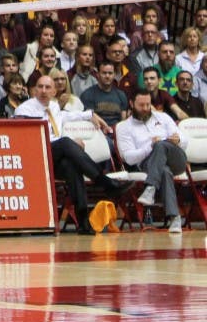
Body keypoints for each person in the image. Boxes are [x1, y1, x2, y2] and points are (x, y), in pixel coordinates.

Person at [14, 75, 133, 233]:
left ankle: (83, 222)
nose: (43, 90)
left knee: (71, 166)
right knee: (66, 142)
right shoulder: (24, 110)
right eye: (40, 87)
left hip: (53, 159)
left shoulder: (54, 107)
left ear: (54, 91)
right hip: (34, 156)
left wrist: (89, 114)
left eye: (47, 87)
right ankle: (105, 183)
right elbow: (22, 138)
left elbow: (67, 116)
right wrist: (69, 142)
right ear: (34, 90)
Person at [116, 88, 188, 234]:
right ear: (131, 104)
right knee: (164, 171)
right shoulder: (123, 127)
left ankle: (150, 188)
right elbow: (128, 158)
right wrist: (150, 146)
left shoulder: (163, 117)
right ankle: (175, 218)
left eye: (148, 105)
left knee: (161, 145)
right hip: (148, 164)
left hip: (176, 159)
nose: (145, 108)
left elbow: (185, 140)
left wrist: (178, 140)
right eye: (141, 105)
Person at [80, 63, 130, 128]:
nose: (107, 76)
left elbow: (123, 121)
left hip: (117, 131)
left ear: (114, 75)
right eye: (104, 73)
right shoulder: (88, 94)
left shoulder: (121, 95)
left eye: (110, 73)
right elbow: (89, 118)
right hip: (96, 130)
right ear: (98, 74)